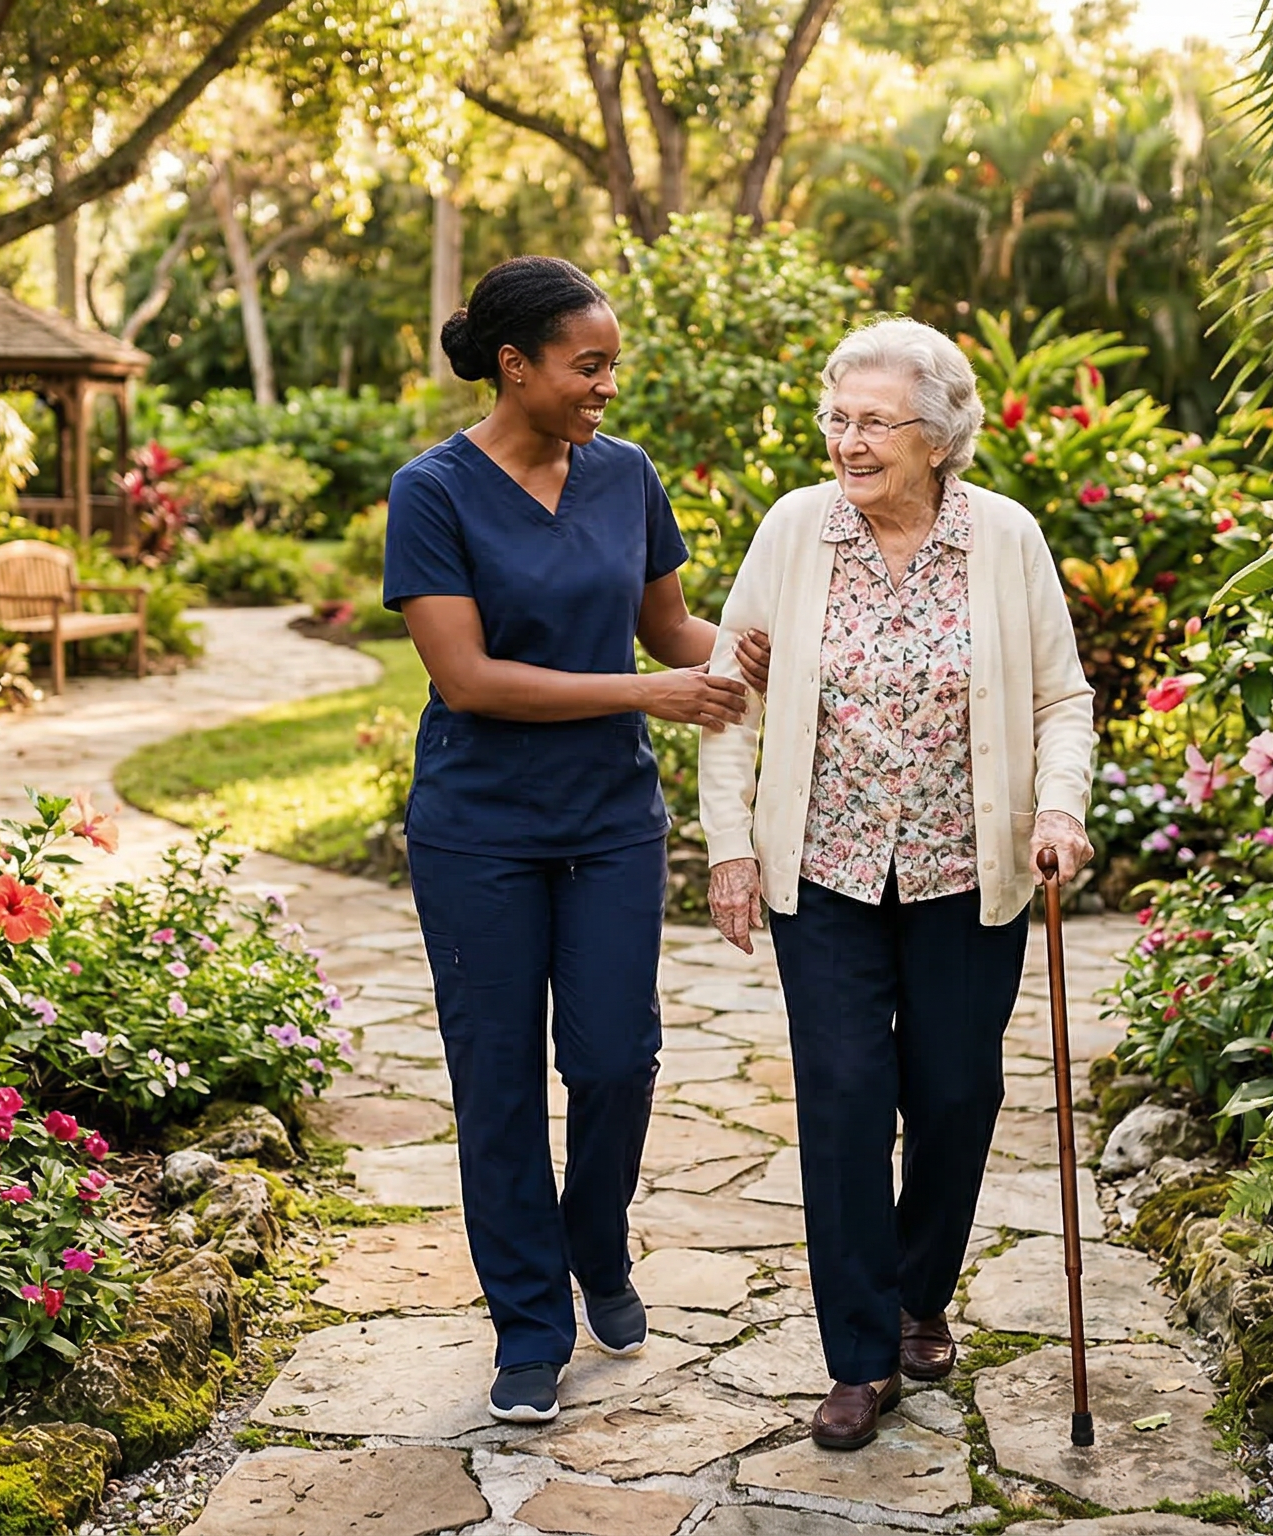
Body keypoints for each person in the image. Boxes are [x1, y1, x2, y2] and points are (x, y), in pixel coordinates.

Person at [698, 316, 1095, 1450]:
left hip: (964, 872)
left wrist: (1057, 807)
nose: (849, 442)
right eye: (838, 419)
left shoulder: (1005, 540)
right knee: (840, 1101)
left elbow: (1060, 699)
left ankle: (922, 1292)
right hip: (822, 869)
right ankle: (861, 1354)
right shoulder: (793, 534)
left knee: (959, 1097)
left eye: (876, 423)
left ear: (940, 435)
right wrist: (732, 845)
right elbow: (728, 694)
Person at [384, 255, 756, 1424]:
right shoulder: (432, 491)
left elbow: (669, 624)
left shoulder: (626, 475)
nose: (605, 387)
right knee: (496, 1082)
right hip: (478, 829)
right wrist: (648, 695)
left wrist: (773, 643)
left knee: (611, 1060)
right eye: (585, 366)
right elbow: (468, 676)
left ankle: (598, 1247)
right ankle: (530, 1324)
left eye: (611, 366)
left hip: (609, 823)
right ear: (515, 364)